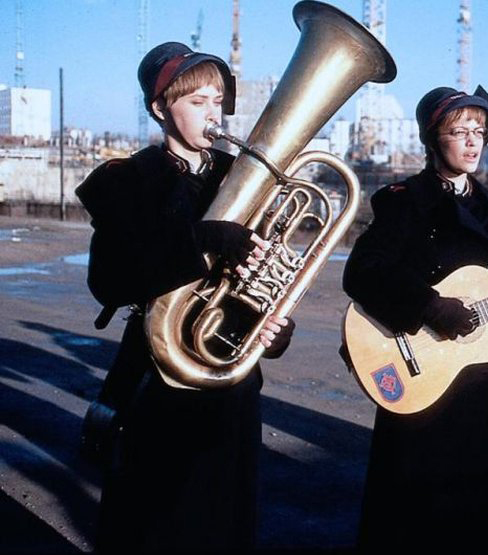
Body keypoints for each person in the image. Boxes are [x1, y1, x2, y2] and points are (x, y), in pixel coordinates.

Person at [76, 42, 294, 552]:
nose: (212, 112)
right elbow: (108, 280)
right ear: (160, 109)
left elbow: (266, 278)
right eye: (196, 101)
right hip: (158, 377)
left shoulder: (242, 177)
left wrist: (275, 327)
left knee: (225, 522)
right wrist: (202, 240)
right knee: (154, 525)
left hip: (232, 377)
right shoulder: (128, 181)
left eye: (216, 99)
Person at [343, 86, 488, 548]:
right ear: (432, 139)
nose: (472, 142)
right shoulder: (405, 201)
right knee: (412, 516)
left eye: (479, 132)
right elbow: (364, 272)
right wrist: (428, 306)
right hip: (421, 372)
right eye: (458, 131)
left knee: (472, 512)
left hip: (478, 377)